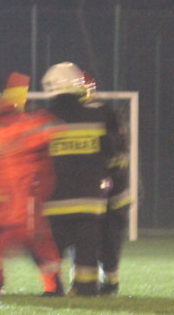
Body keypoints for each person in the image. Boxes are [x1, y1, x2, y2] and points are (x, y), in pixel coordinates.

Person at [0, 73, 64, 297]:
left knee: (35, 244)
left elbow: (54, 128)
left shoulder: (18, 127)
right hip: (10, 204)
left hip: (24, 203)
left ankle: (51, 287)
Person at [41, 62, 117, 297]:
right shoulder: (97, 115)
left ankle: (54, 289)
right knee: (86, 249)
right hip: (89, 201)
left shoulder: (42, 119)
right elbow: (111, 153)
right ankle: (85, 288)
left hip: (55, 200)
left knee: (52, 249)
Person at [81, 72, 130, 295]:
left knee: (107, 237)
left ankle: (107, 282)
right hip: (107, 189)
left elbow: (116, 155)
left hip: (112, 191)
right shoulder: (104, 113)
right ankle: (101, 282)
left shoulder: (102, 115)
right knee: (100, 237)